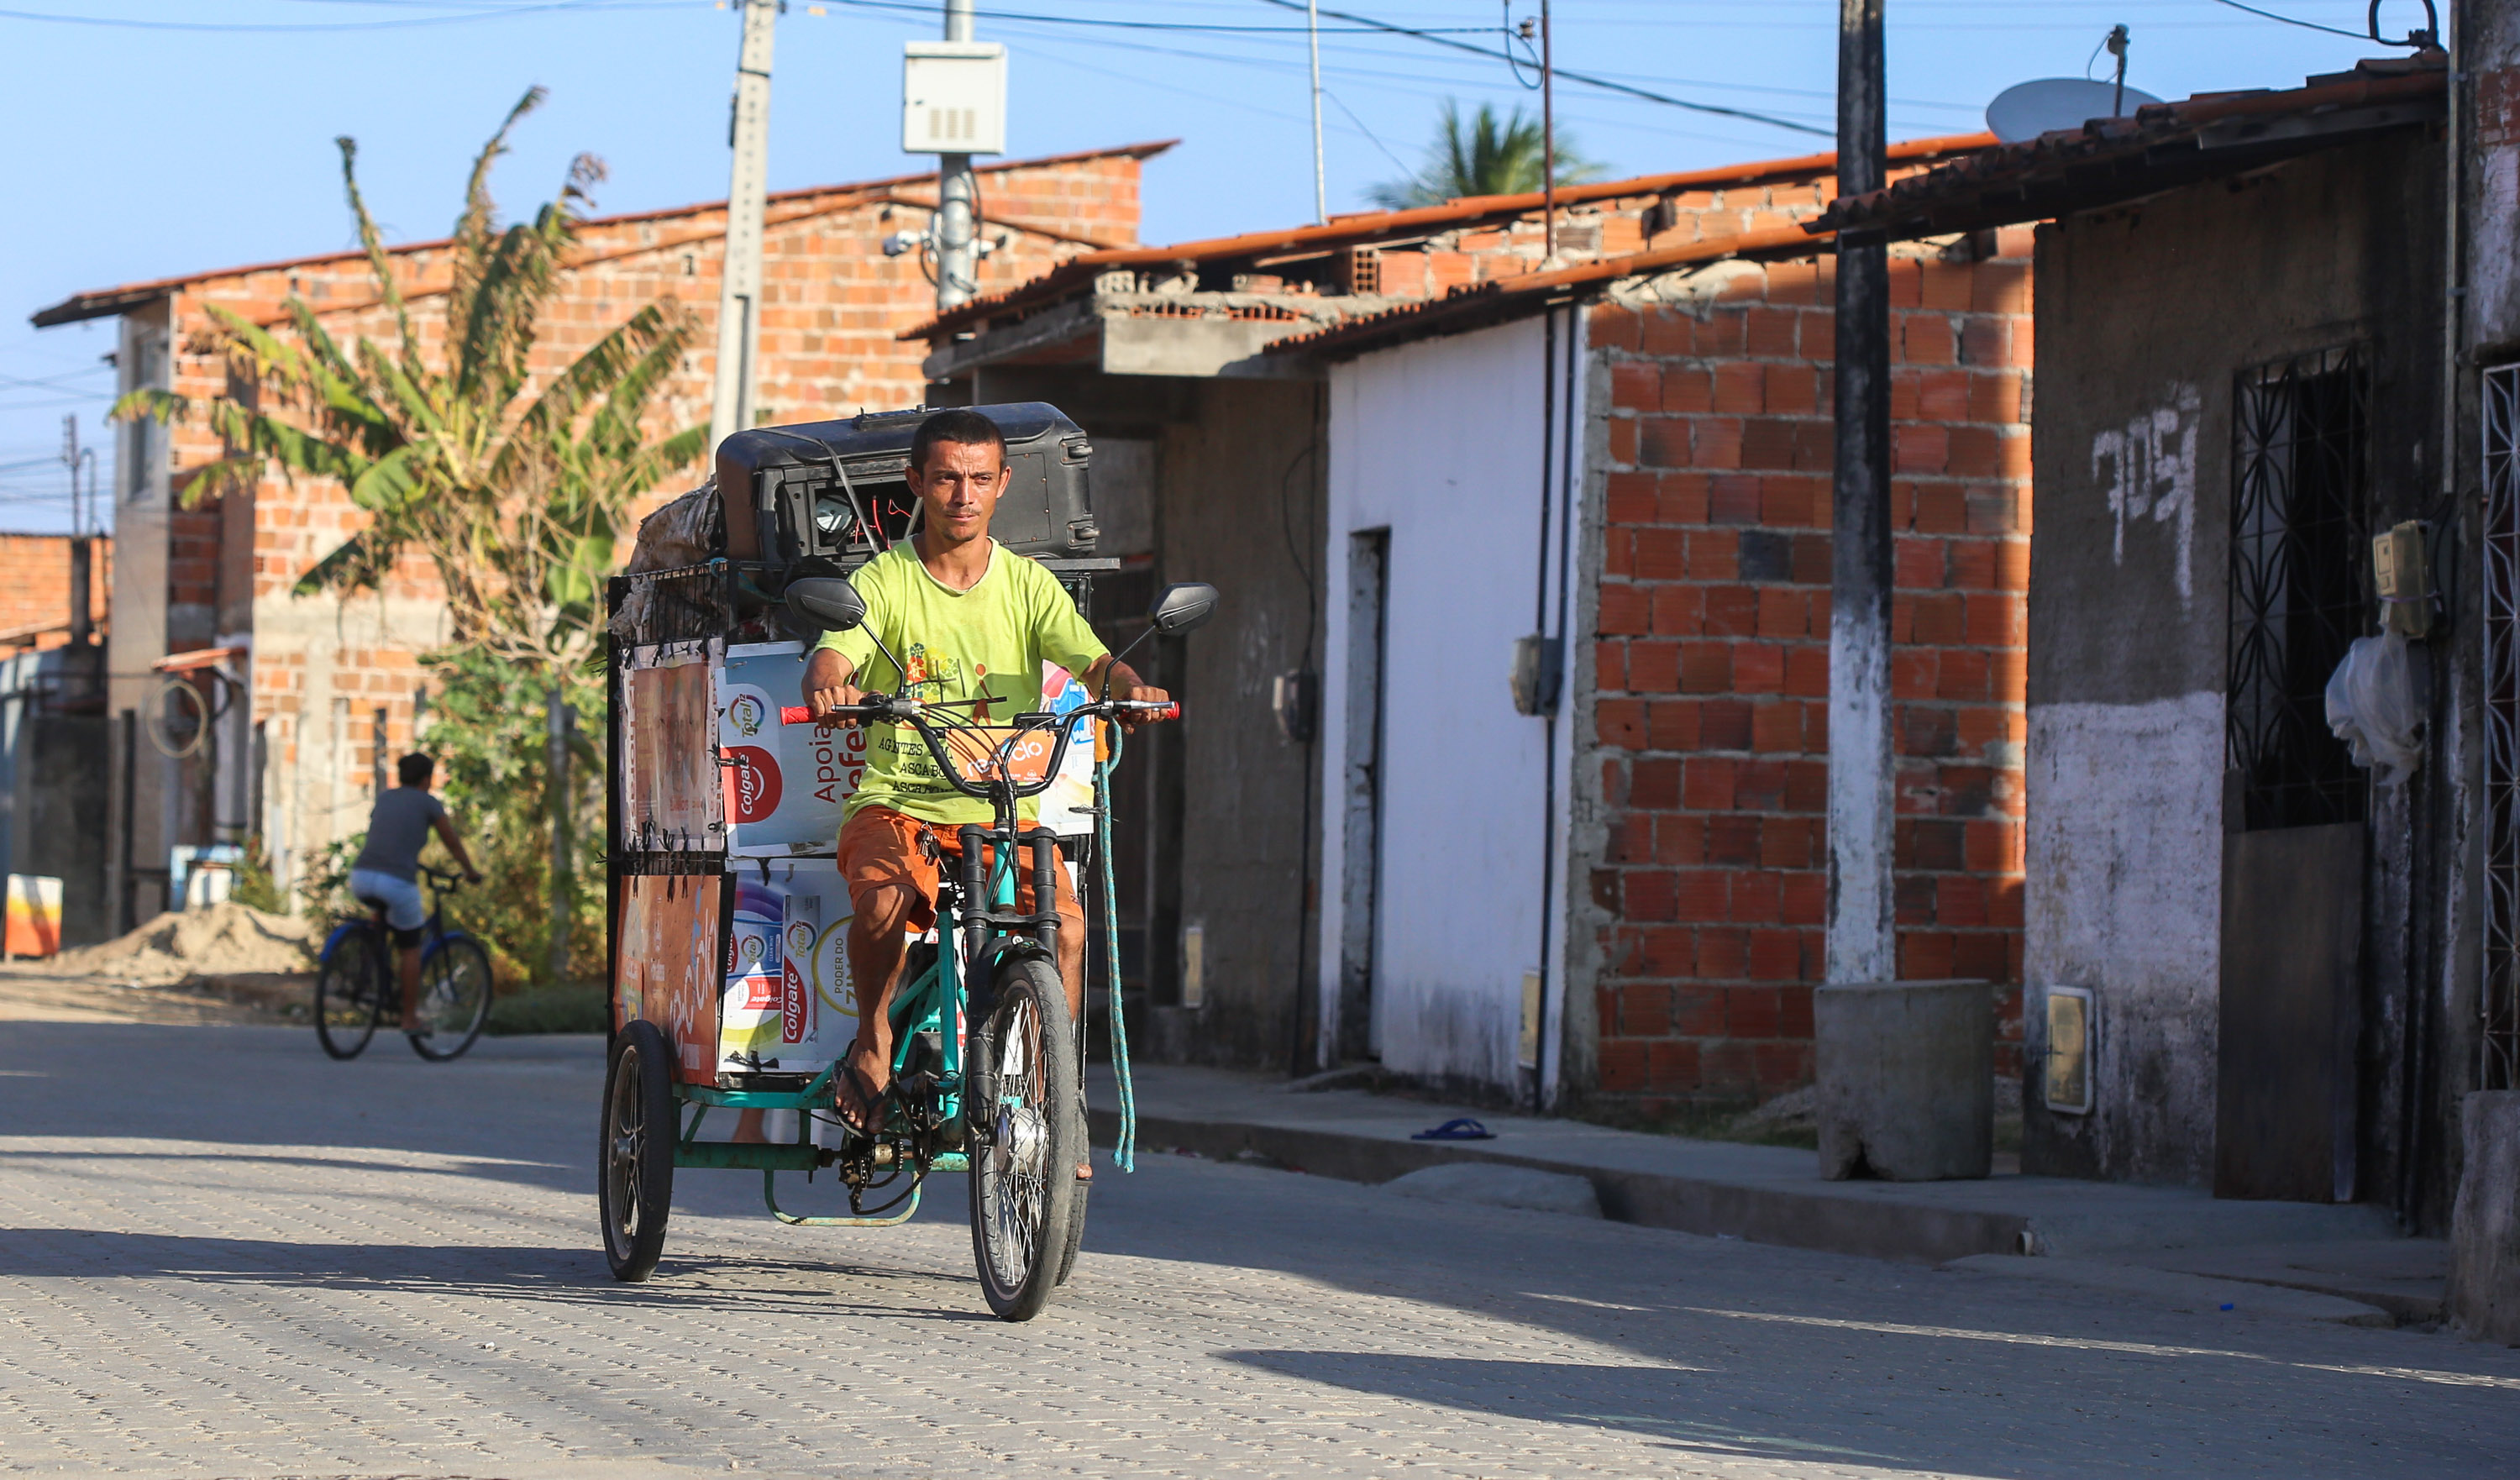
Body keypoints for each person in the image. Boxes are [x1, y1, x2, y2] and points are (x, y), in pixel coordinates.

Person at [801, 407, 1172, 1152]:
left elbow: (1096, 661)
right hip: (900, 802)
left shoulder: (1030, 586)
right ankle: (872, 1039)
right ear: (917, 484)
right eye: (945, 478)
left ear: (1002, 484)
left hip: (1005, 810)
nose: (961, 496)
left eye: (978, 479)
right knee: (880, 905)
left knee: (1066, 930)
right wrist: (830, 684)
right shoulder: (884, 579)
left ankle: (1056, 1099)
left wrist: (1131, 686)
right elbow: (833, 654)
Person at [348, 753, 481, 1037]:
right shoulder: (428, 803)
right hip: (395, 881)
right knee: (412, 947)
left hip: (361, 876)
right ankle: (409, 1018)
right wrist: (470, 871)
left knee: (383, 916)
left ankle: (372, 962)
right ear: (426, 779)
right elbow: (452, 842)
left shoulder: (385, 798)